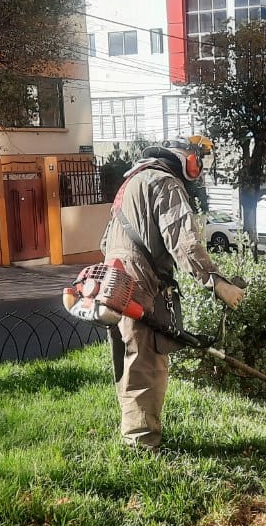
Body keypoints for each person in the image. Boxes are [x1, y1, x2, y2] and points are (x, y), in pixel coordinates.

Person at [100, 137, 245, 449]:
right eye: (198, 162)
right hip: (139, 282)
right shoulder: (164, 182)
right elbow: (184, 241)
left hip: (116, 279)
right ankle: (142, 445)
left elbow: (105, 241)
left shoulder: (132, 181)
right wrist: (219, 284)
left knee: (128, 361)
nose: (199, 170)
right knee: (146, 362)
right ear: (185, 159)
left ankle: (134, 434)